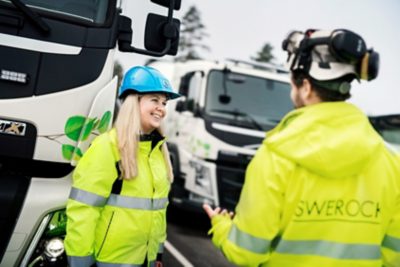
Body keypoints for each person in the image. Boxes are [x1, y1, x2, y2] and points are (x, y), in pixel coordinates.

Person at [203, 29, 400, 267]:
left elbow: (247, 253)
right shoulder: (391, 161)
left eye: (292, 85)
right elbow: (393, 255)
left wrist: (221, 226)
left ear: (305, 87)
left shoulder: (274, 157)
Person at [64, 65, 181, 267]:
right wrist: (80, 262)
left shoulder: (158, 152)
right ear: (133, 103)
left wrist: (158, 254)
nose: (161, 108)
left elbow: (159, 210)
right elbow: (84, 210)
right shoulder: (107, 147)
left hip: (145, 260)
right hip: (108, 261)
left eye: (164, 102)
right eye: (154, 100)